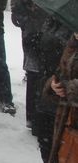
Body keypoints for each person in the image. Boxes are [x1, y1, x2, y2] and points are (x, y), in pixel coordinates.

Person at [12, 0, 64, 136]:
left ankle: (49, 119)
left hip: (54, 37)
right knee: (33, 76)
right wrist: (24, 18)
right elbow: (19, 5)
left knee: (51, 77)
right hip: (32, 34)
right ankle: (32, 118)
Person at [44, 32, 78, 163]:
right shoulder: (73, 44)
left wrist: (70, 88)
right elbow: (62, 72)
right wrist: (53, 85)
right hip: (68, 127)